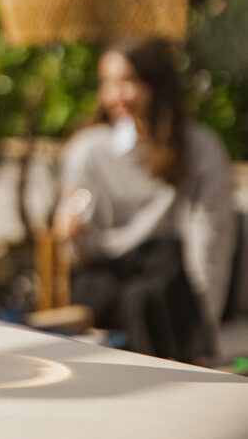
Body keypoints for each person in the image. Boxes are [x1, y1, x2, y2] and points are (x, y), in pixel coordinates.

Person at [54, 40, 235, 362]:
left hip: (168, 277)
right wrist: (71, 235)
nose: (114, 96)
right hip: (108, 272)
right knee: (100, 296)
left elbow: (210, 237)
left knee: (145, 300)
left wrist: (205, 321)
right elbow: (78, 245)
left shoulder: (198, 150)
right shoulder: (88, 150)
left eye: (127, 81)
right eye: (107, 83)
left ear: (157, 85)